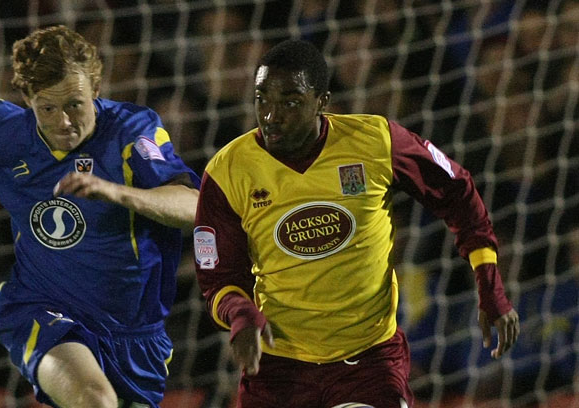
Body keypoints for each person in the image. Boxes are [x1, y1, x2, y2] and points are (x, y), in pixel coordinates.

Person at [0, 25, 200, 408]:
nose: (63, 122)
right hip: (40, 308)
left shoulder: (131, 131)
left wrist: (118, 192)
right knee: (96, 401)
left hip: (133, 331)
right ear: (27, 99)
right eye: (47, 108)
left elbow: (192, 206)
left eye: (75, 104)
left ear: (95, 90)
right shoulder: (8, 131)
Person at [193, 39, 520, 408]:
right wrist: (240, 314)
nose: (271, 114)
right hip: (278, 365)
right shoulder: (227, 171)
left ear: (322, 102)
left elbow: (458, 193)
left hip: (367, 362)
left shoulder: (375, 141)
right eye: (261, 98)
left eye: (290, 102)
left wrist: (489, 284)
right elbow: (217, 277)